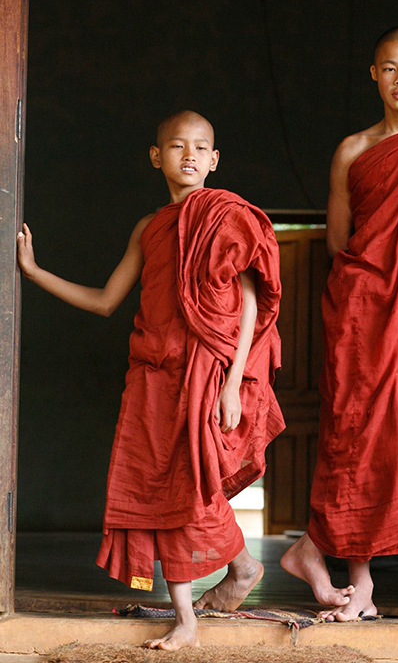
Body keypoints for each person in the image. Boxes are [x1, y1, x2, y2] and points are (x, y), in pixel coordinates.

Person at [17, 110, 286, 650]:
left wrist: (234, 381)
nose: (188, 154)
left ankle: (218, 590)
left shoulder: (225, 214)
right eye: (176, 145)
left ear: (214, 159)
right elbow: (106, 300)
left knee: (191, 487)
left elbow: (251, 303)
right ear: (155, 155)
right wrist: (33, 271)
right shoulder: (149, 227)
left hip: (205, 371)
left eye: (200, 146)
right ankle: (215, 591)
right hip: (152, 378)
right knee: (150, 486)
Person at [280, 28, 398, 622]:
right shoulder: (354, 149)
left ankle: (315, 549)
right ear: (374, 76)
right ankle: (357, 580)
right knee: (353, 431)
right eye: (389, 69)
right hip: (363, 310)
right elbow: (340, 241)